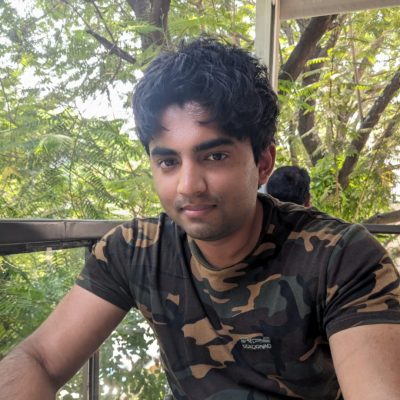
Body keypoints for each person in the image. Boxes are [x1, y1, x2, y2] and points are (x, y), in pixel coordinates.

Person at [0, 37, 400, 400]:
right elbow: (39, 359)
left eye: (215, 156)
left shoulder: (342, 258)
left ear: (263, 163)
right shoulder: (135, 251)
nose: (188, 186)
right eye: (168, 161)